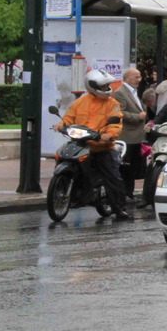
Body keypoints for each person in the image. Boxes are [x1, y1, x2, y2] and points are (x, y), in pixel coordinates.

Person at [52, 69, 129, 219]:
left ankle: (119, 207)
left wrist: (109, 134)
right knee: (62, 155)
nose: (106, 89)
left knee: (112, 176)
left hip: (102, 146)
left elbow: (116, 121)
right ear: (92, 86)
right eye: (103, 87)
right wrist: (61, 124)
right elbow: (70, 117)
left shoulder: (112, 103)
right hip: (81, 144)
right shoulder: (80, 101)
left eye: (107, 86)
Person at [114, 68, 146, 203]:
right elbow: (119, 113)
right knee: (126, 168)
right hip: (127, 137)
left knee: (133, 168)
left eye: (139, 77)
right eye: (136, 77)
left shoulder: (133, 92)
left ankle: (129, 193)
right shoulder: (120, 93)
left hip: (136, 137)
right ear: (127, 78)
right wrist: (137, 117)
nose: (139, 80)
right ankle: (124, 194)